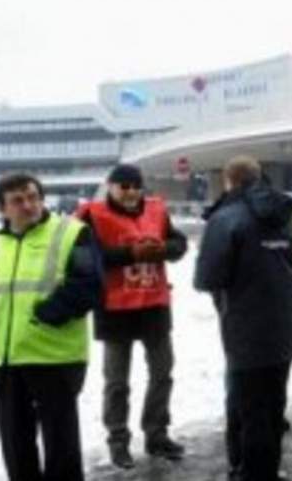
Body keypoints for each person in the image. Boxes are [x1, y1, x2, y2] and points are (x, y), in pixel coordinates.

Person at [0, 172, 103, 481]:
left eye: (33, 197)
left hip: (55, 357)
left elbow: (90, 286)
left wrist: (47, 314)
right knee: (16, 448)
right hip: (7, 360)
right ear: (2, 209)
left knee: (61, 450)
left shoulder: (73, 233)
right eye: (17, 200)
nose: (28, 205)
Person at [194, 156, 292, 481]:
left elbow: (206, 277)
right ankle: (266, 470)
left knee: (250, 408)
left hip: (244, 329)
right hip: (283, 327)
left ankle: (251, 472)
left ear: (229, 182)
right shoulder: (284, 216)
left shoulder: (226, 218)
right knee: (273, 406)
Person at [76, 164, 188, 468]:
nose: (130, 192)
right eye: (123, 186)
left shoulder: (156, 210)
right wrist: (131, 255)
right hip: (115, 309)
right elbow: (88, 258)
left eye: (136, 186)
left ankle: (156, 433)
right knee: (117, 382)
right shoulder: (92, 215)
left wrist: (163, 248)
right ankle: (118, 439)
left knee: (163, 373)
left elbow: (180, 244)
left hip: (154, 304)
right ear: (111, 186)